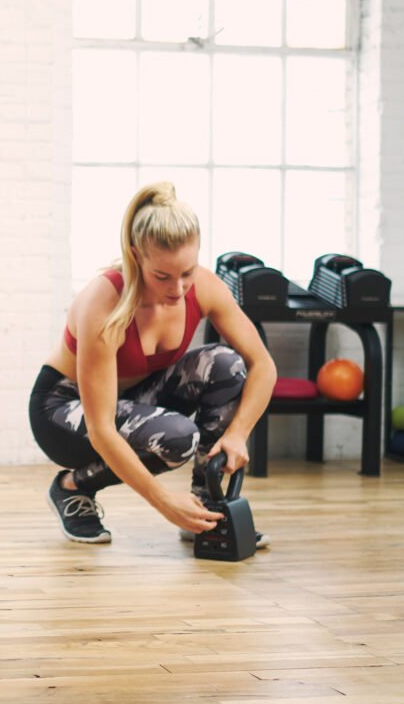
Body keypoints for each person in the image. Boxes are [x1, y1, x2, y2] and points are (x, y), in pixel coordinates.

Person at [30, 181, 275, 546]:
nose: (178, 289)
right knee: (178, 437)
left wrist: (238, 432)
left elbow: (262, 366)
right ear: (135, 256)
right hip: (64, 412)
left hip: (133, 404)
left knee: (226, 364)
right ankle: (70, 487)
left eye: (187, 273)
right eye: (163, 276)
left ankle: (205, 505)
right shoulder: (104, 299)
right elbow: (101, 429)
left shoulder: (205, 286)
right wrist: (164, 503)